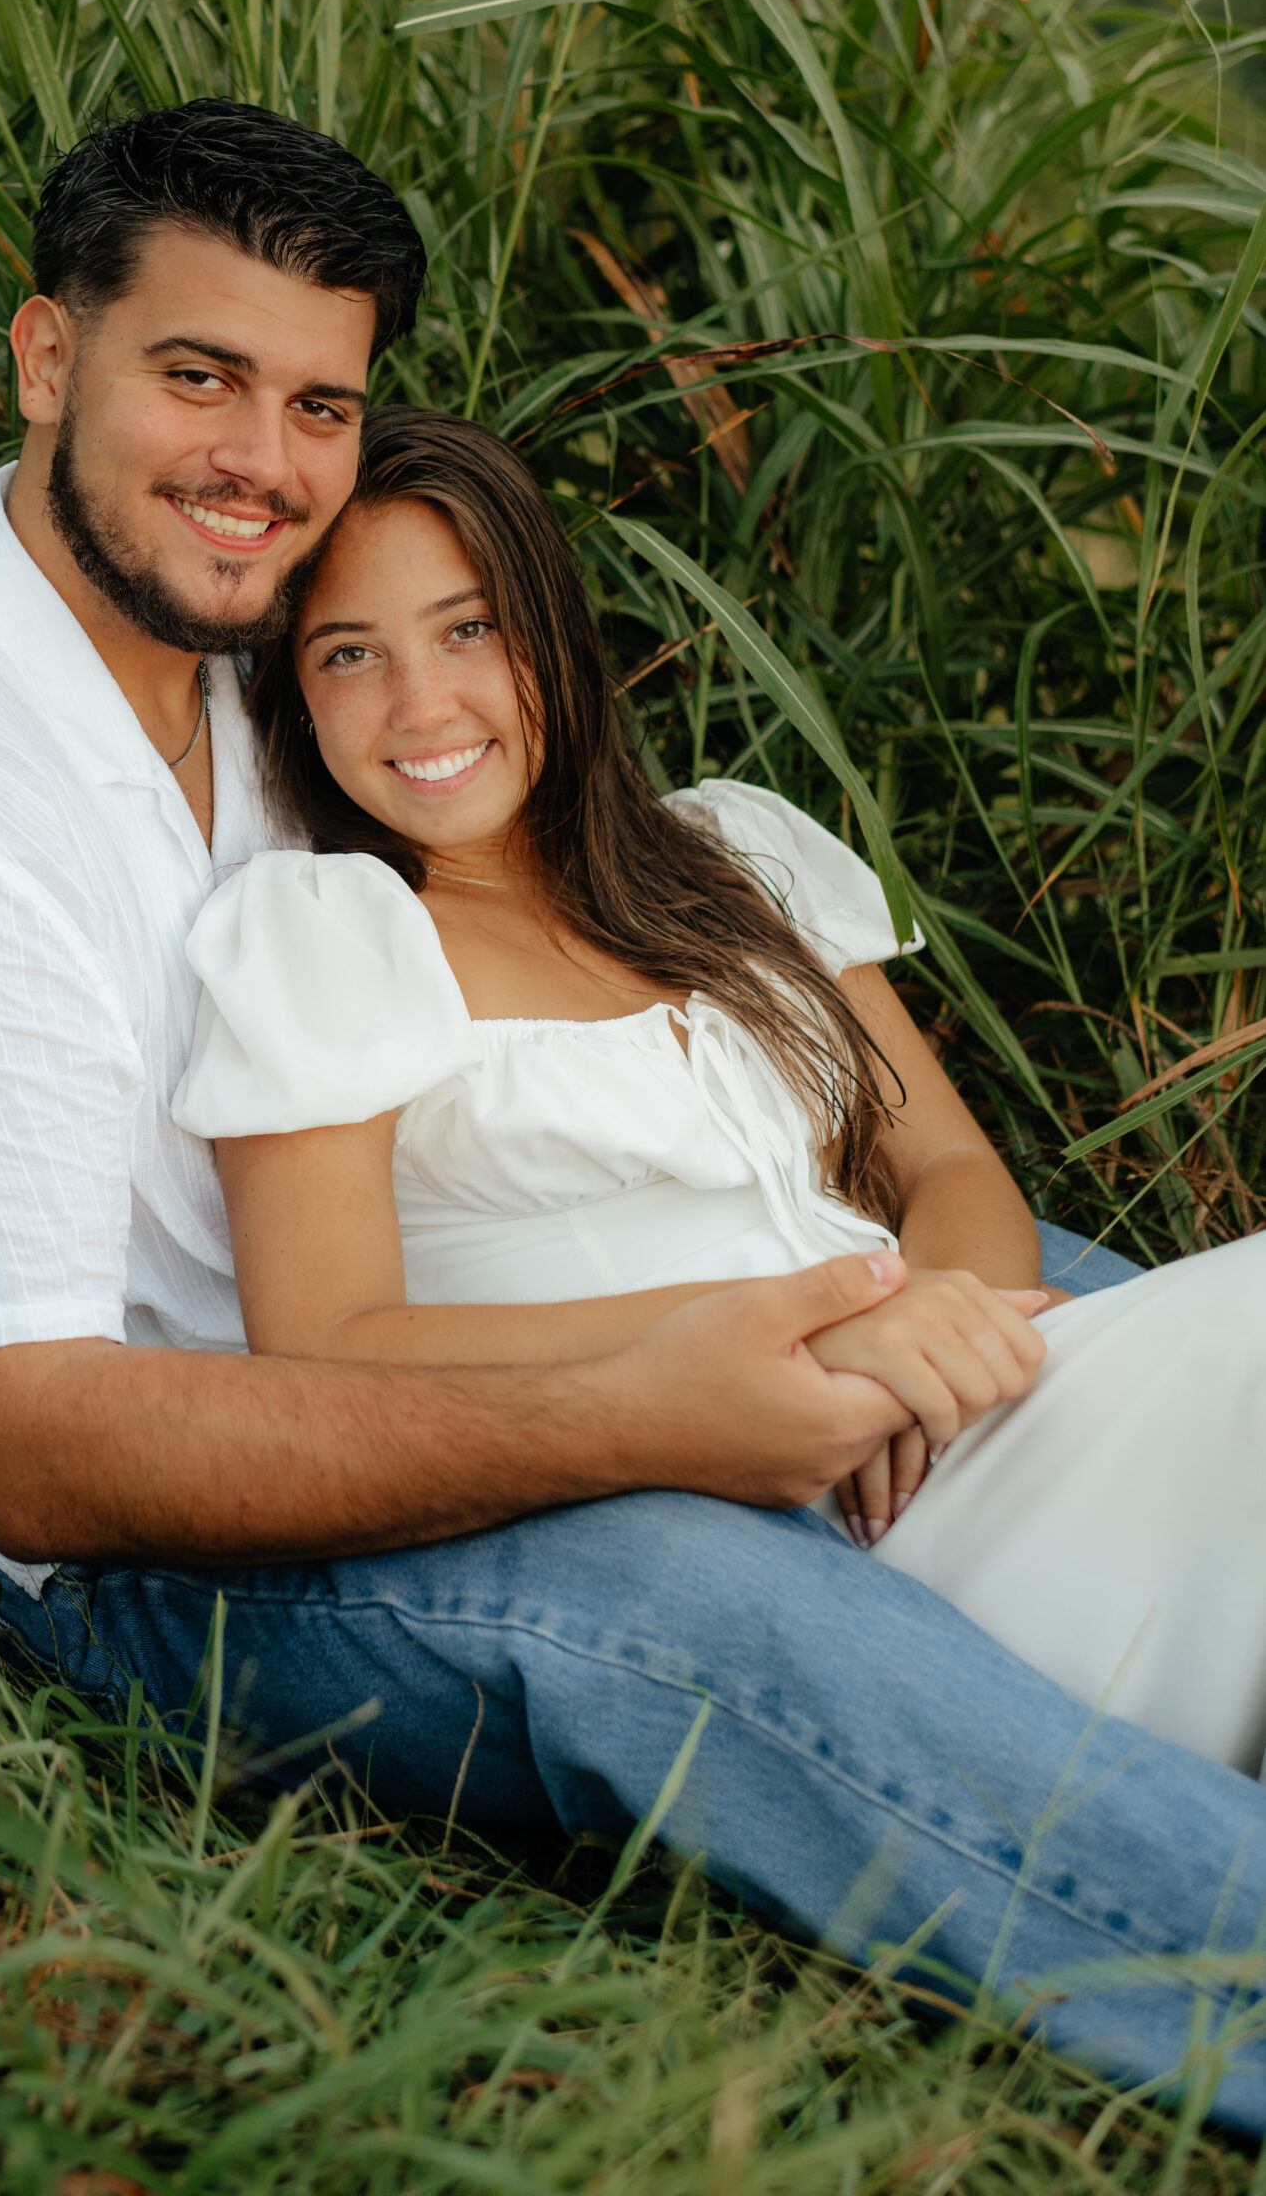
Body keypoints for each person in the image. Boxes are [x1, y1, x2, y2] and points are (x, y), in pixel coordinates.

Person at [0, 98, 1266, 2135]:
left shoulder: (249, 665)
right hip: (153, 1537)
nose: (258, 461)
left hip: (475, 1310)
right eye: (196, 374)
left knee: (1076, 1316)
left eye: (316, 401)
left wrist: (827, 1301)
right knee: (694, 1590)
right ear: (41, 354)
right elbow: (35, 1450)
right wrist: (647, 1397)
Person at [176, 404, 1266, 1784]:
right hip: (747, 1501)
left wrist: (940, 1356)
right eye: (351, 655)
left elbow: (946, 1173)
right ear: (293, 696)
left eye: (469, 631)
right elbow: (324, 1344)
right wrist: (798, 1342)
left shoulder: (728, 859)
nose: (423, 705)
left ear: (554, 640)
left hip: (947, 1424)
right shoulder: (327, 934)